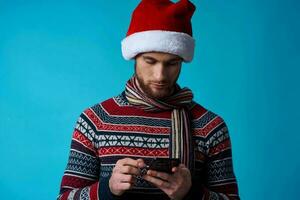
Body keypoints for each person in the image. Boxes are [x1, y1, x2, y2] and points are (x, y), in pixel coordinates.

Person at [57, 0, 240, 199]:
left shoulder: (210, 126)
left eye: (171, 63)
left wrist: (191, 192)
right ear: (135, 57)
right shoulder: (94, 120)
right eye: (150, 61)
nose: (160, 75)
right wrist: (107, 189)